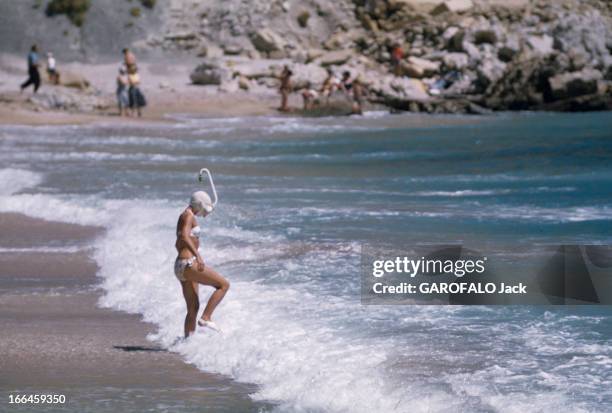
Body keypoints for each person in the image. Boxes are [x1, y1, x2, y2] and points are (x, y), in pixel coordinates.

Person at [175, 191, 230, 337]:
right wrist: (197, 256)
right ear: (199, 204)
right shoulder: (188, 215)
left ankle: (187, 343)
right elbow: (185, 236)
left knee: (193, 308)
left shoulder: (184, 215)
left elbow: (178, 242)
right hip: (188, 263)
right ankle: (206, 317)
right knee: (223, 285)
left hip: (181, 265)